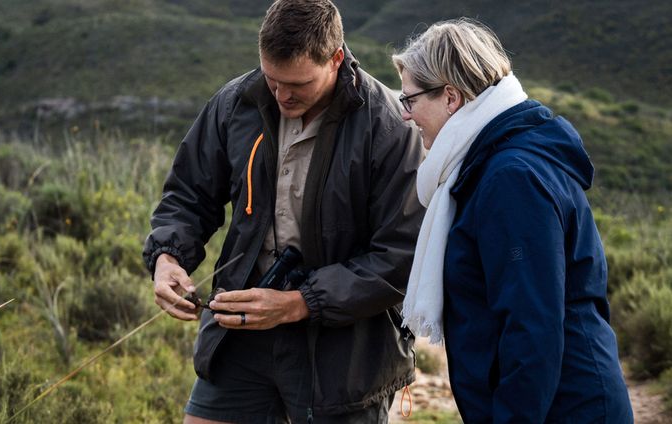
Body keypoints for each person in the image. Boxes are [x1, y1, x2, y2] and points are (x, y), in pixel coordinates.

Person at [143, 1, 424, 422]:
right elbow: (187, 195)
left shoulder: (390, 126)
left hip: (344, 346)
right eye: (271, 79)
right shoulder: (237, 102)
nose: (281, 95)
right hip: (241, 329)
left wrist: (299, 302)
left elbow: (402, 255)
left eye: (297, 84)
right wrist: (168, 259)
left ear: (336, 59)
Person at [393, 18, 634, 422]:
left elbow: (531, 328)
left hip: (565, 408)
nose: (406, 116)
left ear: (451, 97)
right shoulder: (495, 162)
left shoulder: (511, 178)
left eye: (410, 101)